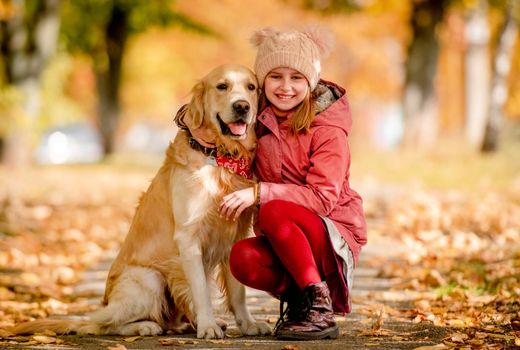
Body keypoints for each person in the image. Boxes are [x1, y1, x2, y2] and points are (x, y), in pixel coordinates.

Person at [205, 26, 367, 340]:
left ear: (311, 82)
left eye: (296, 78)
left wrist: (260, 192)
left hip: (332, 240)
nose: (285, 88)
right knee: (242, 257)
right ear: (262, 80)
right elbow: (217, 122)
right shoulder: (258, 119)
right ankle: (301, 304)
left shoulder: (328, 128)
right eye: (275, 76)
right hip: (286, 239)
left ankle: (319, 307)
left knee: (273, 210)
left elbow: (323, 199)